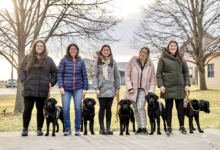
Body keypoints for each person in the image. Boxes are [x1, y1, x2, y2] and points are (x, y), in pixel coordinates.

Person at [18, 39, 57, 136]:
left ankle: (39, 129)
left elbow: (55, 72)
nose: (40, 47)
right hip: (29, 88)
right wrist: (23, 80)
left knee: (41, 110)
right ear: (34, 47)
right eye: (38, 46)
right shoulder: (27, 58)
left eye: (41, 46)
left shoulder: (49, 60)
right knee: (28, 109)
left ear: (44, 48)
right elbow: (20, 69)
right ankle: (25, 129)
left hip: (43, 89)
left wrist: (51, 83)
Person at [156, 40, 191, 134]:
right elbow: (159, 73)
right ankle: (169, 127)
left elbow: (186, 72)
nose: (173, 47)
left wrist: (187, 84)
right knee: (168, 108)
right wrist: (161, 85)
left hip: (180, 87)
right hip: (168, 87)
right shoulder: (163, 58)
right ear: (168, 47)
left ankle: (182, 127)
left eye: (174, 46)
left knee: (180, 108)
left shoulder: (181, 57)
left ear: (177, 47)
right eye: (171, 46)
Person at [57, 43, 88, 136]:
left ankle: (77, 128)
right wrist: (61, 86)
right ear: (68, 50)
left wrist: (85, 88)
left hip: (78, 88)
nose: (73, 50)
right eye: (71, 49)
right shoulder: (63, 61)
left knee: (78, 109)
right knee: (66, 109)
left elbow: (85, 76)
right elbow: (59, 74)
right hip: (66, 89)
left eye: (75, 49)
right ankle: (67, 128)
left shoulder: (81, 62)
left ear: (77, 50)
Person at [124, 47, 156, 135]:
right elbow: (127, 74)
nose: (142, 54)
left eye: (145, 53)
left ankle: (144, 127)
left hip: (144, 90)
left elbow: (153, 78)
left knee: (141, 107)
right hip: (133, 89)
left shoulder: (151, 64)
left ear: (147, 54)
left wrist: (151, 91)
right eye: (142, 52)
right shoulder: (133, 60)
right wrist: (130, 87)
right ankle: (139, 127)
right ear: (139, 52)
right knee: (135, 108)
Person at [92, 45, 120, 135]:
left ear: (110, 51)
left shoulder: (113, 62)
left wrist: (117, 88)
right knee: (102, 108)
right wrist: (96, 88)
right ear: (101, 51)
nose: (106, 51)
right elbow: (94, 75)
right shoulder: (97, 62)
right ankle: (102, 128)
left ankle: (108, 127)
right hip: (101, 88)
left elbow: (117, 76)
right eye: (104, 50)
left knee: (109, 108)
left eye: (108, 50)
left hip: (111, 88)